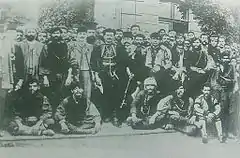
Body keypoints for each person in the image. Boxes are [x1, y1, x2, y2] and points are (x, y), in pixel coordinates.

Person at [91, 28, 125, 126]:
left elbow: (123, 61)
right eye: (107, 35)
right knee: (104, 95)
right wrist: (97, 73)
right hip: (103, 73)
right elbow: (94, 61)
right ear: (104, 36)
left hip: (116, 74)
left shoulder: (119, 47)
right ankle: (106, 115)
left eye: (111, 35)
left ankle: (115, 116)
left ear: (114, 36)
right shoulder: (98, 48)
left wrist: (116, 71)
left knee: (116, 94)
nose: (109, 37)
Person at [40, 27, 77, 110]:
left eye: (57, 33)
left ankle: (61, 116)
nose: (56, 35)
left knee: (63, 94)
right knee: (51, 95)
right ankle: (52, 116)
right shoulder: (46, 46)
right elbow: (43, 62)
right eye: (54, 33)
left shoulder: (66, 45)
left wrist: (69, 76)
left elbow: (71, 61)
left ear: (60, 34)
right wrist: (45, 77)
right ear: (51, 35)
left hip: (64, 75)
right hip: (51, 75)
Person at [14, 26, 48, 91]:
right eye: (29, 32)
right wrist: (20, 78)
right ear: (26, 33)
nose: (31, 34)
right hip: (24, 74)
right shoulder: (20, 45)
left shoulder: (41, 46)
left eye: (33, 32)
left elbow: (44, 62)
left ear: (36, 33)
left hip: (37, 74)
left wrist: (44, 76)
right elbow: (18, 62)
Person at [67, 26, 93, 101]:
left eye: (84, 34)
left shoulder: (90, 47)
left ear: (87, 35)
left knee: (86, 91)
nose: (82, 36)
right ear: (77, 35)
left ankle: (86, 109)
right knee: (74, 90)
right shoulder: (71, 45)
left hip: (86, 70)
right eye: (80, 34)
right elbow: (69, 59)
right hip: (74, 71)